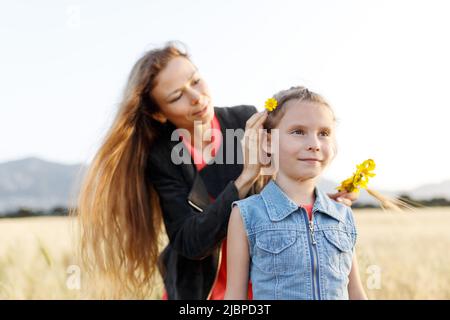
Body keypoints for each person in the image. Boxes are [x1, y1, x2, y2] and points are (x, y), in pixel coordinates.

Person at [76, 42, 358, 299]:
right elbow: (190, 242)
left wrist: (316, 208)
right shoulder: (162, 157)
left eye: (196, 81)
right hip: (200, 290)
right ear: (158, 113)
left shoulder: (245, 120)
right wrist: (245, 178)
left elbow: (284, 187)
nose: (196, 97)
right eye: (177, 96)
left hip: (261, 281)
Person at [225, 86, 368, 300]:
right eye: (298, 132)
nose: (314, 144)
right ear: (268, 141)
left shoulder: (342, 215)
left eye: (324, 133)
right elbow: (234, 299)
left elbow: (355, 292)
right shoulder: (247, 214)